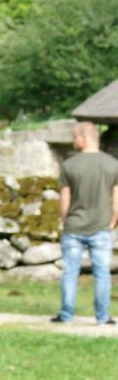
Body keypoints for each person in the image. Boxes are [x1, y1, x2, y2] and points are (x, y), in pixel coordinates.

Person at [51, 120, 118, 325]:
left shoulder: (69, 165)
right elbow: (116, 198)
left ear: (85, 137)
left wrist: (66, 221)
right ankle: (102, 316)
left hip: (74, 226)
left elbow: (65, 199)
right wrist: (113, 221)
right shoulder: (113, 164)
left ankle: (67, 315)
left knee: (70, 272)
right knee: (102, 273)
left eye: (74, 137)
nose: (73, 141)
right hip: (101, 227)